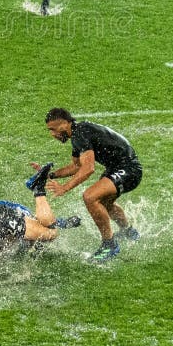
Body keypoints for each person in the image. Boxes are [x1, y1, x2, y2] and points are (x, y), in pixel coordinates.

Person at [42, 108, 142, 262]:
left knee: (90, 197)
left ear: (64, 124)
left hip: (129, 169)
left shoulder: (80, 134)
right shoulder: (78, 133)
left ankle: (109, 244)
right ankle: (127, 231)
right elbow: (76, 166)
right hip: (118, 168)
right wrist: (50, 174)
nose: (52, 134)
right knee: (103, 203)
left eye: (53, 129)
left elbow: (88, 169)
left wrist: (64, 188)